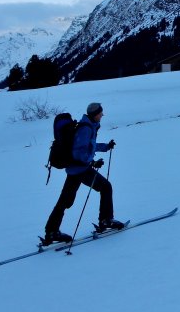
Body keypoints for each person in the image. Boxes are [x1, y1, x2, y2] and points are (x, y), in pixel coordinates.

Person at [43, 102, 124, 245]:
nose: (102, 115)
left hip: (76, 169)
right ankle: (106, 220)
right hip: (80, 170)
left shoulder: (88, 125)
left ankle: (51, 231)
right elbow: (79, 152)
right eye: (100, 113)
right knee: (105, 187)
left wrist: (106, 147)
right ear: (95, 114)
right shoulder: (86, 128)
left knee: (65, 201)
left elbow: (89, 146)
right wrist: (92, 162)